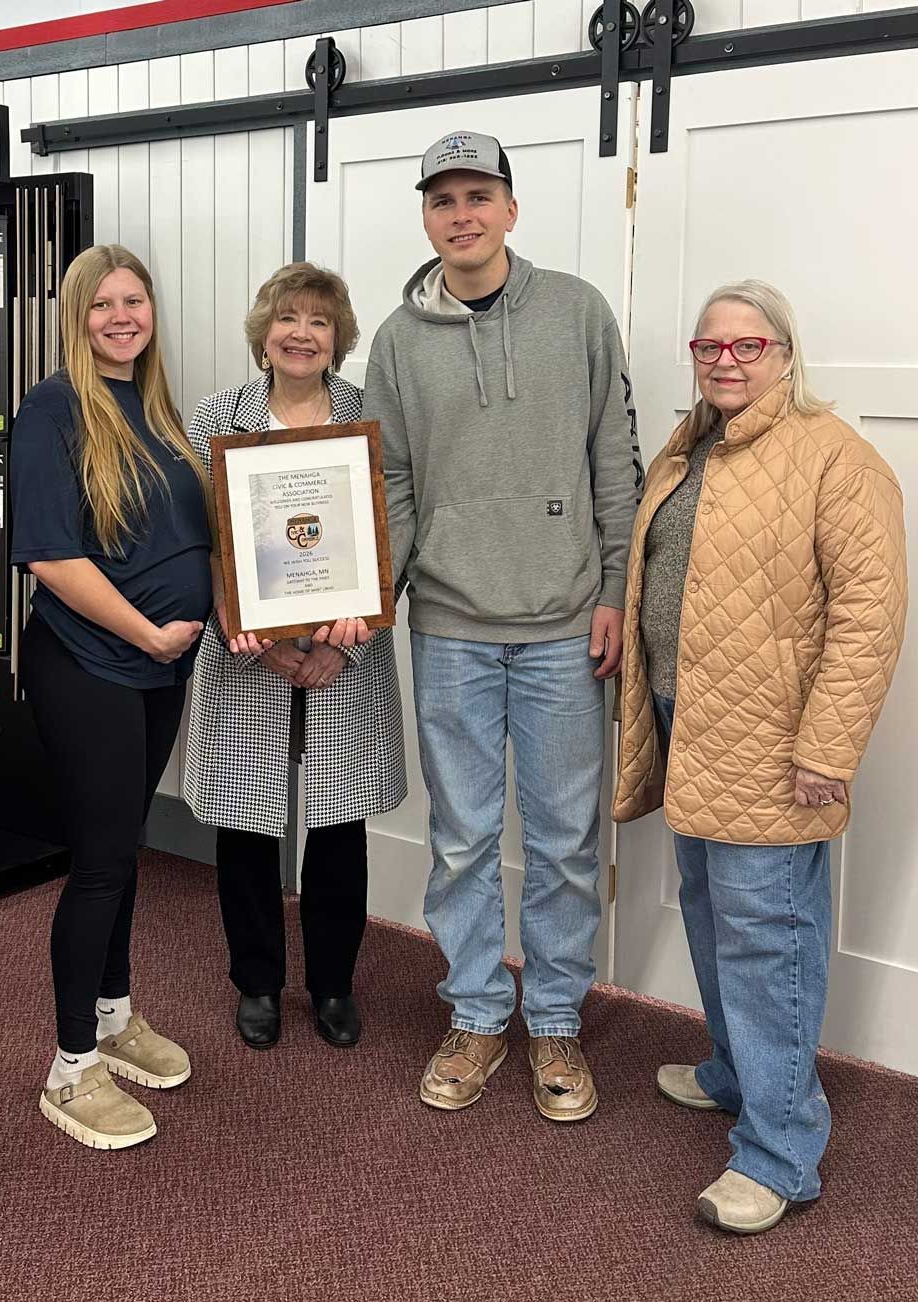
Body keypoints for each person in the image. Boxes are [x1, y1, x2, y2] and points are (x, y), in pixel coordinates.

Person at [613, 280, 907, 1234]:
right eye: (709, 345)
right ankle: (739, 1075)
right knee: (712, 915)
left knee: (767, 939)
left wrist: (828, 749)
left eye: (748, 345)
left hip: (774, 745)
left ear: (786, 353)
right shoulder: (693, 443)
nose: (726, 360)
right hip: (689, 719)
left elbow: (869, 619)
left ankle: (781, 1156)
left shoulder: (837, 459)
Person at [363, 130, 642, 1119]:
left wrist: (616, 591)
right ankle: (479, 1012)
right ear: (428, 218)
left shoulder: (576, 312)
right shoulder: (397, 343)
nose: (462, 214)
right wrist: (376, 592)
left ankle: (556, 1019)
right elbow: (389, 479)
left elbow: (616, 455)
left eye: (479, 195)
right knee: (462, 840)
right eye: (443, 200)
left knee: (567, 839)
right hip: (449, 628)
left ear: (512, 210)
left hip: (568, 625)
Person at [9, 245, 213, 1150]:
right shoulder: (54, 408)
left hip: (162, 669)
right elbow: (51, 556)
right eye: (104, 304)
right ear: (76, 316)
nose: (122, 316)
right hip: (90, 663)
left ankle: (115, 1014)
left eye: (136, 300)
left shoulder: (159, 411)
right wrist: (147, 633)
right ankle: (69, 1068)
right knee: (98, 865)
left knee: (123, 851)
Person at [183, 263, 406, 1051]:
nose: (301, 333)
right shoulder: (219, 415)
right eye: (287, 317)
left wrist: (352, 643)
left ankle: (335, 985)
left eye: (318, 320)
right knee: (249, 822)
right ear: (264, 332)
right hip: (250, 653)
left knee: (338, 823)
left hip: (348, 654)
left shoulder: (370, 414)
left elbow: (394, 533)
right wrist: (253, 632)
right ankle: (258, 983)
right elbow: (202, 538)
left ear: (338, 336)